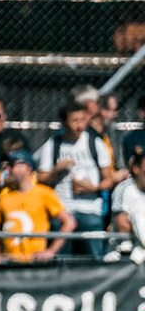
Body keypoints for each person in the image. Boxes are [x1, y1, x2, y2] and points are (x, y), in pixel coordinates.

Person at [37, 101, 117, 256]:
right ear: (64, 123)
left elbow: (109, 179)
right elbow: (41, 179)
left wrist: (93, 188)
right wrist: (57, 169)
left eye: (82, 120)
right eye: (74, 121)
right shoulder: (53, 145)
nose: (79, 126)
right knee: (61, 259)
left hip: (90, 210)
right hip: (62, 212)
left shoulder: (95, 143)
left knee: (93, 259)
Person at [0, 152, 73, 265]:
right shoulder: (5, 199)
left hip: (35, 263)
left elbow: (69, 222)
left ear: (27, 168)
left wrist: (51, 251)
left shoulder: (44, 193)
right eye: (8, 167)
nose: (9, 170)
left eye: (13, 165)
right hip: (10, 264)